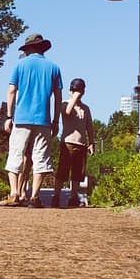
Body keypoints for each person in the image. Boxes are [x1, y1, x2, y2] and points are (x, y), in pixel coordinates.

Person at [0, 33, 62, 208]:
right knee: (41, 157)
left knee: (15, 155)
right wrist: (56, 121)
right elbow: (58, 97)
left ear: (29, 48)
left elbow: (11, 91)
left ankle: (14, 194)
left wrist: (9, 116)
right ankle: (35, 196)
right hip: (43, 119)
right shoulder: (54, 68)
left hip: (21, 118)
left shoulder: (20, 65)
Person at [52, 77, 95, 208]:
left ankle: (73, 197)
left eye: (80, 91)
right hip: (68, 143)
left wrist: (92, 142)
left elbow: (90, 127)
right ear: (70, 91)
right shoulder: (65, 103)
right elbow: (67, 112)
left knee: (78, 173)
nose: (78, 93)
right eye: (75, 90)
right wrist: (74, 98)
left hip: (81, 144)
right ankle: (56, 196)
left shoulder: (85, 109)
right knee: (62, 172)